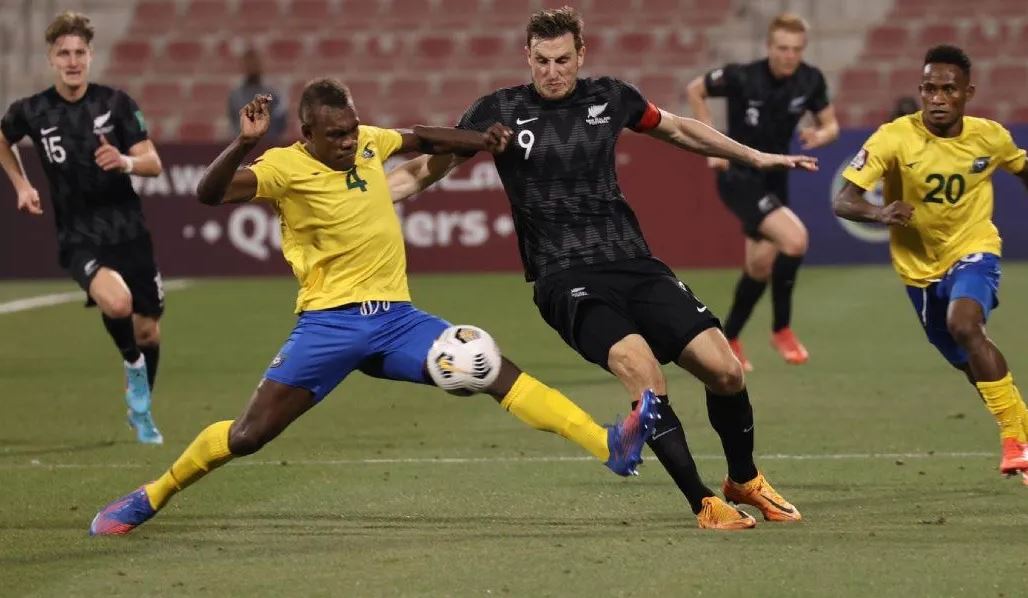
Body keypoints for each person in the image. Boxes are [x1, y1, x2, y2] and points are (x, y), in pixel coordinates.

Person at [88, 80, 659, 536]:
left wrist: (481, 140)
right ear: (307, 133)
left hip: (396, 319)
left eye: (352, 129)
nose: (349, 141)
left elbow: (420, 139)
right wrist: (243, 142)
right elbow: (209, 194)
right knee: (247, 436)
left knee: (485, 362)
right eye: (335, 134)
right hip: (328, 325)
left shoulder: (366, 139)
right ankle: (152, 494)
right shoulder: (283, 168)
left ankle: (608, 444)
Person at [387, 7, 818, 529]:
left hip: (634, 263)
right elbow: (422, 172)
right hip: (563, 278)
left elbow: (680, 130)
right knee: (644, 374)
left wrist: (755, 157)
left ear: (581, 56)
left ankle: (744, 480)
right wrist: (358, 203)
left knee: (725, 371)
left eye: (562, 59)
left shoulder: (611, 98)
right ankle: (703, 502)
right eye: (541, 60)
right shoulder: (495, 112)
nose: (552, 71)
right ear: (527, 57)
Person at [834, 45, 1028, 482]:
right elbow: (844, 200)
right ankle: (1023, 428)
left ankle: (1015, 440)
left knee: (966, 324)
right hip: (918, 269)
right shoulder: (893, 137)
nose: (937, 98)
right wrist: (881, 213)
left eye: (947, 89)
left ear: (967, 93)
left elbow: (1022, 167)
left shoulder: (990, 136)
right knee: (965, 359)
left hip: (974, 248)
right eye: (929, 89)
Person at [0, 12, 165, 444]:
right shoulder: (32, 110)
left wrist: (125, 161)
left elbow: (154, 162)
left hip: (129, 231)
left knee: (148, 328)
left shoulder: (116, 104)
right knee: (117, 304)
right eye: (63, 53)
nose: (72, 61)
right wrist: (22, 184)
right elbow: (2, 138)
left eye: (79, 53)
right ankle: (133, 372)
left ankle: (142, 404)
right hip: (78, 234)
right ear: (51, 59)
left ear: (90, 56)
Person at [685, 13, 839, 370]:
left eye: (796, 49)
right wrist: (712, 143)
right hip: (739, 175)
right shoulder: (743, 76)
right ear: (769, 47)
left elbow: (831, 124)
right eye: (783, 48)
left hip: (775, 178)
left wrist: (821, 135)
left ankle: (729, 339)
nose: (789, 56)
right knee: (796, 240)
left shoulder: (810, 80)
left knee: (759, 266)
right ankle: (782, 328)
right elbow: (696, 89)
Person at [227, 46, 287, 141]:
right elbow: (233, 122)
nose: (251, 66)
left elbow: (279, 119)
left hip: (267, 145)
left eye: (254, 62)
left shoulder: (271, 94)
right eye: (248, 63)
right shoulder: (236, 96)